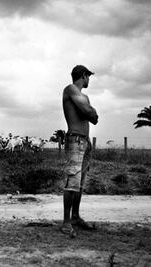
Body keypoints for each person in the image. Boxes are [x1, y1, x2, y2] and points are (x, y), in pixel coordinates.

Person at [61, 65, 98, 238]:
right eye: (88, 76)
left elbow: (93, 117)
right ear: (84, 75)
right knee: (72, 182)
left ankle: (75, 217)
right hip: (75, 139)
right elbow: (88, 112)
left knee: (80, 183)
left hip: (85, 141)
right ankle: (66, 222)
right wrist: (91, 111)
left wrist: (91, 112)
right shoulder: (70, 89)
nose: (89, 80)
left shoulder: (84, 96)